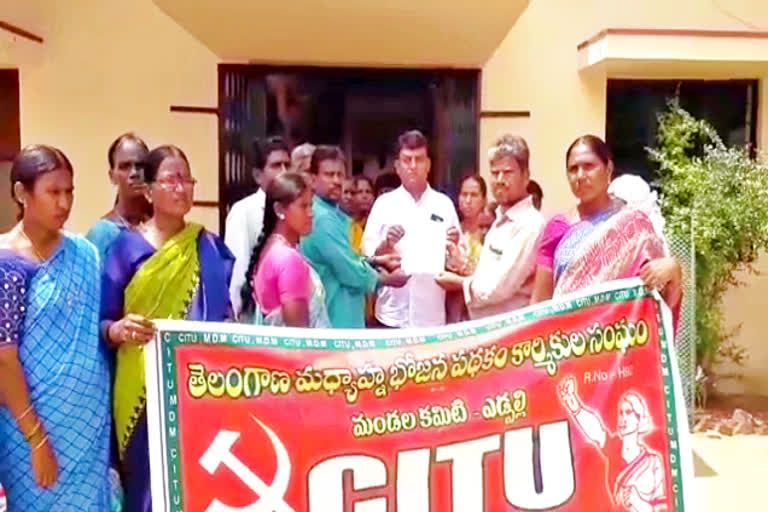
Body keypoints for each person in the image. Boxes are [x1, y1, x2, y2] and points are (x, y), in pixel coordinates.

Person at [101, 145, 233, 512]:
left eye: (186, 180)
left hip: (198, 388)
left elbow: (223, 314)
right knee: (146, 486)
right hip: (141, 388)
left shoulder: (207, 246)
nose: (181, 189)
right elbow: (101, 322)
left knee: (195, 482)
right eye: (171, 180)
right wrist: (118, 329)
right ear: (148, 190)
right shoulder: (125, 248)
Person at [0, 145, 110, 510]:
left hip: (87, 429)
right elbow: (4, 360)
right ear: (21, 193)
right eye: (53, 192)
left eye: (70, 192)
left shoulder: (84, 253)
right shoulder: (7, 262)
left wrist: (116, 329)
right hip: (31, 432)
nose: (64, 203)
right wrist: (36, 439)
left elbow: (92, 327)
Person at [530, 135, 681, 307]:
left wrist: (673, 270)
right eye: (573, 169)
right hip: (569, 331)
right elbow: (539, 304)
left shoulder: (634, 225)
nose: (580, 175)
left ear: (608, 169)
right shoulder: (559, 227)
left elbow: (661, 302)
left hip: (621, 331)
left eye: (589, 166)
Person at [436, 136, 545, 319]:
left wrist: (460, 283)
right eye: (495, 173)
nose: (500, 180)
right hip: (488, 333)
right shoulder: (501, 220)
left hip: (509, 336)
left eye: (508, 172)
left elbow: (497, 289)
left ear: (525, 176)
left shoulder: (530, 225)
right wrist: (462, 263)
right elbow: (488, 275)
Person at [300, 146, 407, 328]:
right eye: (329, 174)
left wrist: (376, 261)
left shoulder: (334, 214)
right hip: (335, 321)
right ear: (313, 179)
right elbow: (349, 271)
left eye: (340, 175)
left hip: (344, 317)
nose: (336, 181)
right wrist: (386, 280)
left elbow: (349, 259)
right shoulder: (322, 218)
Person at [363, 130, 461, 328]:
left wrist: (454, 249)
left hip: (432, 316)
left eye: (419, 159)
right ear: (398, 166)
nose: (413, 166)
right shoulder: (384, 204)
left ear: (429, 165)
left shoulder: (444, 205)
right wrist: (386, 244)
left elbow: (458, 262)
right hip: (391, 316)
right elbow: (367, 258)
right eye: (407, 160)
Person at [558, 375, 667, 510]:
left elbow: (661, 508)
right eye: (621, 413)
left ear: (639, 419)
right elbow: (596, 430)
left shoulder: (653, 462)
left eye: (628, 412)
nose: (623, 418)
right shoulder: (614, 448)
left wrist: (637, 501)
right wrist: (575, 406)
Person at [241, 172, 329, 327]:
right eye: (303, 206)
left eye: (311, 205)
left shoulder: (272, 249)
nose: (310, 213)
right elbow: (298, 337)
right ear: (279, 210)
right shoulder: (287, 259)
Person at [224, 137, 291, 319]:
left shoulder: (298, 210)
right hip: (256, 317)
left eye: (287, 165)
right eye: (276, 165)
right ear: (258, 175)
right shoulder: (244, 211)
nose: (284, 172)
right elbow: (238, 272)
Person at [87, 133, 151, 259]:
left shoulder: (162, 227)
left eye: (140, 166)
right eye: (125, 167)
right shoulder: (102, 233)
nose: (134, 173)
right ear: (112, 176)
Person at [349, 176, 375, 253]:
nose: (365, 196)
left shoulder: (377, 221)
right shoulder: (345, 223)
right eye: (360, 192)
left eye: (368, 191)